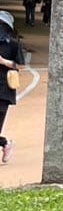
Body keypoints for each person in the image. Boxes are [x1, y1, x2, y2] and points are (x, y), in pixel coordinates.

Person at [0, 11, 21, 164]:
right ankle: (5, 143)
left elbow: (20, 65)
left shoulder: (13, 44)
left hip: (4, 90)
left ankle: (5, 143)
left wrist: (3, 62)